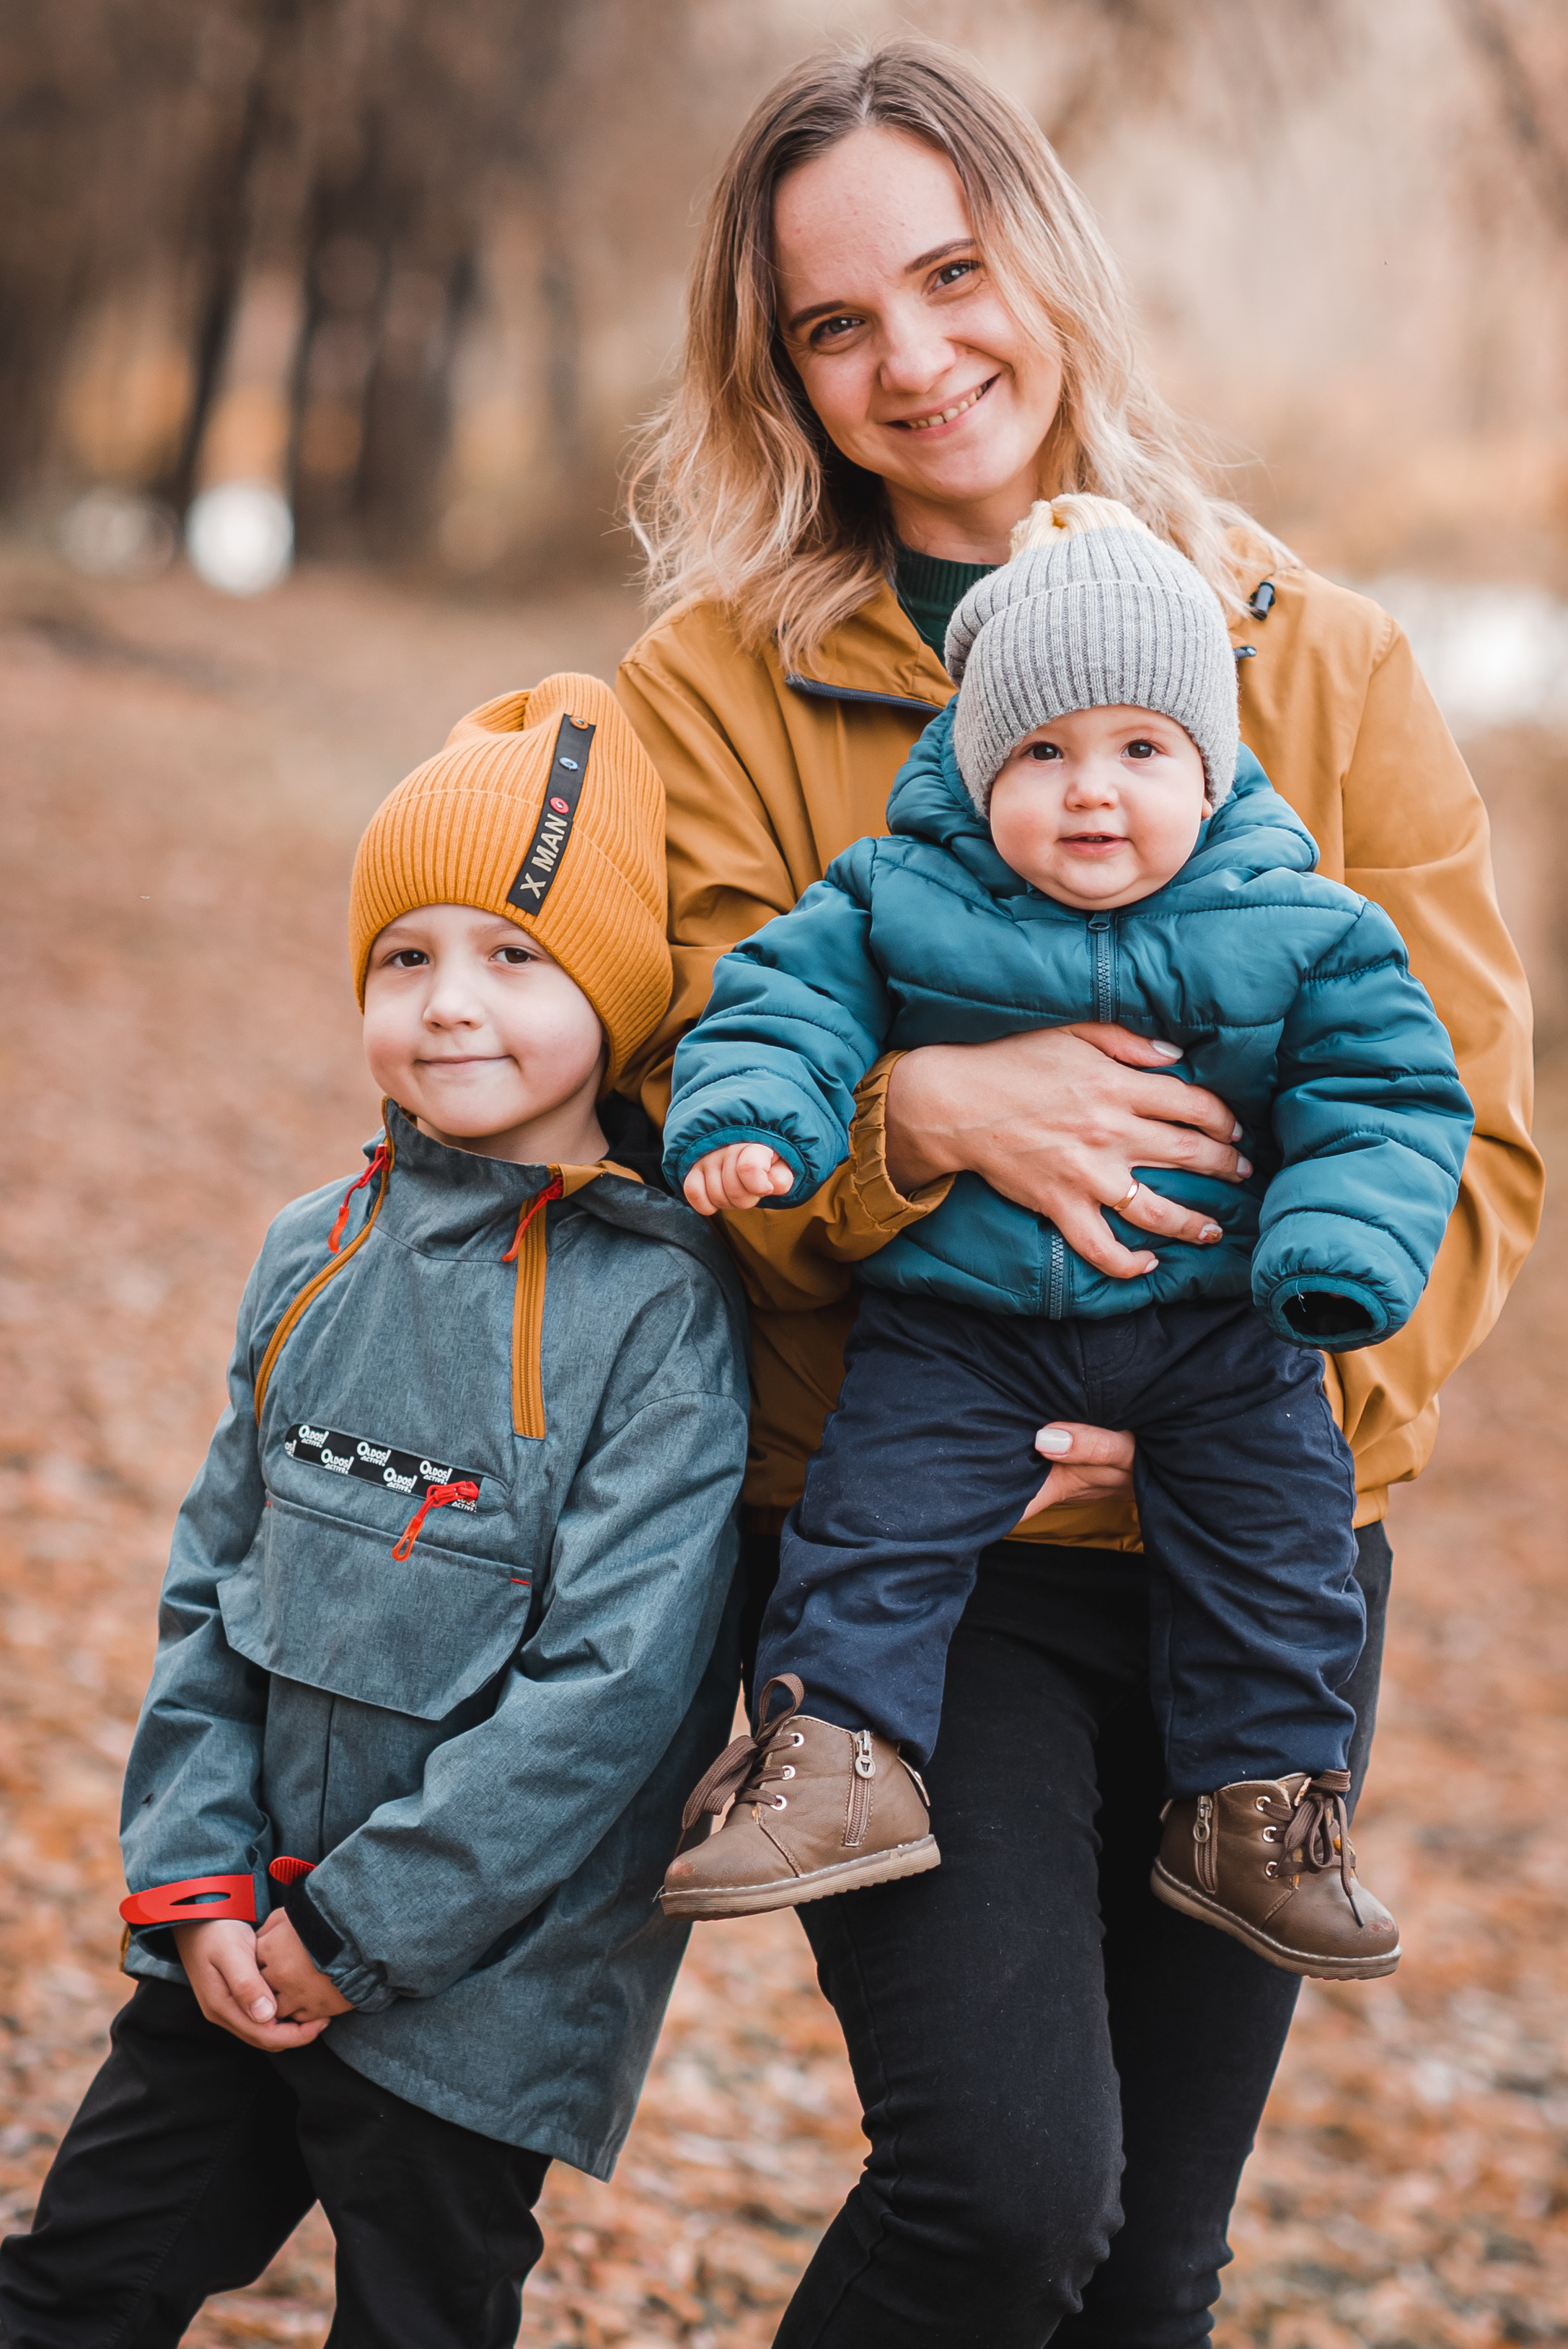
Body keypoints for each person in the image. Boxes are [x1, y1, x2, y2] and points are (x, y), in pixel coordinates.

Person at [615, 38, 1542, 2347]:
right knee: (1003, 2194)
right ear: (780, 374)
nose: (914, 358)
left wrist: (1279, 1406)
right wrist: (921, 1113)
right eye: (835, 325)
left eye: (948, 273)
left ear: (1044, 259)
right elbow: (682, 1096)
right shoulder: (720, 692)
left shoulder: (1316, 664)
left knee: (1149, 2268)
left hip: (1249, 1546)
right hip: (908, 1546)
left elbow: (1476, 1136)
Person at [0, 676, 750, 2349]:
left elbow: (618, 1690)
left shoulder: (660, 1311)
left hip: (481, 1986)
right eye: (404, 957)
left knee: (416, 2320)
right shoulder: (310, 1251)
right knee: (77, 2280)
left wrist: (352, 1932)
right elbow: (213, 1580)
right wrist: (195, 1884)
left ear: (612, 999)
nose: (447, 1005)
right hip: (236, 1939)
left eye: (513, 956)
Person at [655, 491, 1473, 1982]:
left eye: (1140, 750)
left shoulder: (1308, 924)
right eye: (1040, 752)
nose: (1091, 792)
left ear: (1210, 766)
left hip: (1222, 1329)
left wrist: (1334, 1247)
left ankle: (1261, 1805)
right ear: (977, 766)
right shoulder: (897, 893)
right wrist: (751, 1121)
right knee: (871, 1521)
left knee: (1285, 1546)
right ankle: (835, 1758)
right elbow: (780, 1004)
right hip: (963, 1327)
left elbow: (1390, 1097)